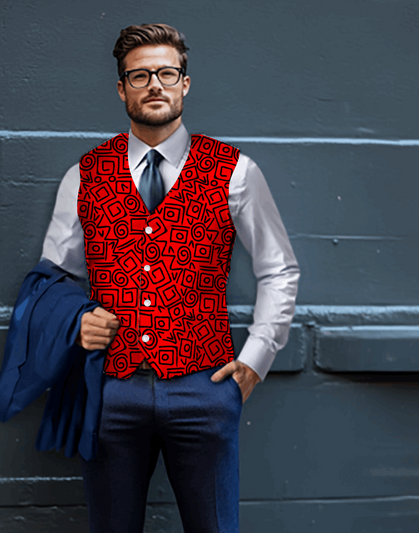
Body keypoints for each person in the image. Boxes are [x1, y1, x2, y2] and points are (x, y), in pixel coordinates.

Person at [42, 23, 300, 533]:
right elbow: (54, 277)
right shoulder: (85, 175)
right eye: (139, 76)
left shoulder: (235, 171)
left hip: (204, 387)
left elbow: (279, 267)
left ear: (185, 83)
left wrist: (256, 359)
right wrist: (76, 322)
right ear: (122, 89)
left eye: (166, 72)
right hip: (110, 390)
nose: (154, 84)